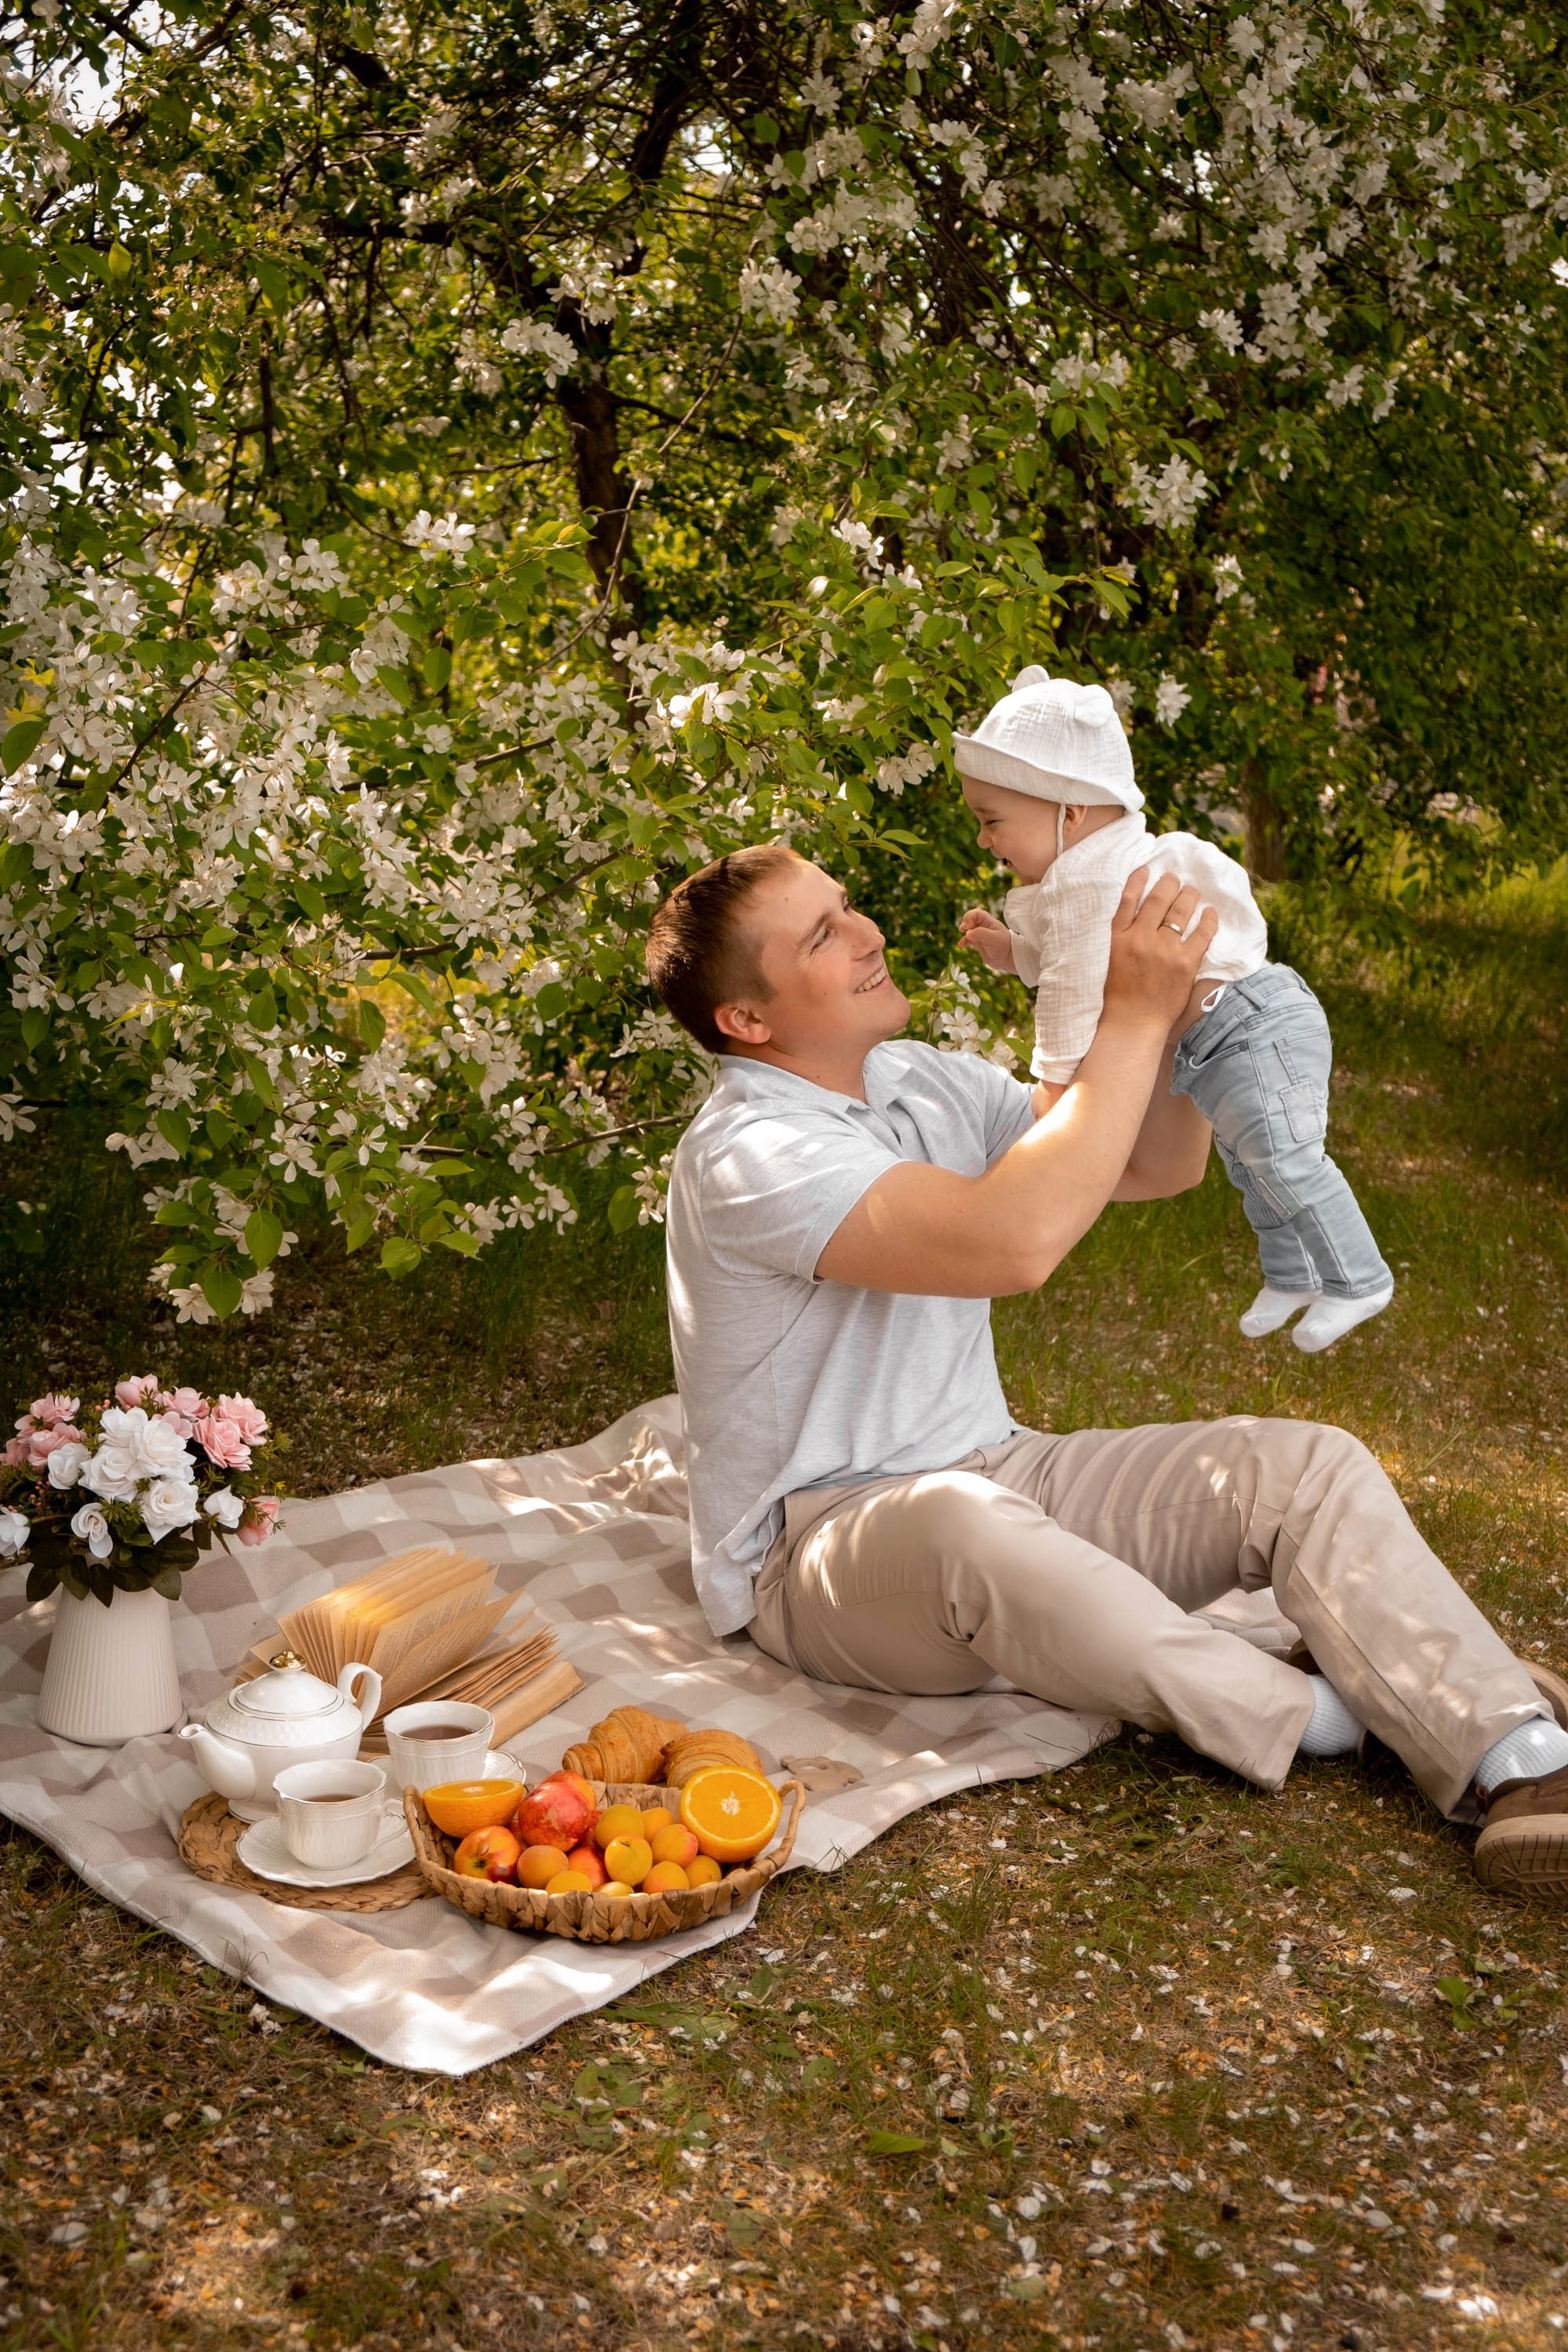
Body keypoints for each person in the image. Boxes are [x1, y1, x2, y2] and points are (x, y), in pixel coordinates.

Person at [644, 841, 1568, 1896]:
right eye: (823, 934)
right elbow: (1012, 1243)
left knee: (1301, 1467)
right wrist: (1126, 1017)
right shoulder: (748, 1151)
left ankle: (1520, 1763)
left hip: (997, 1471)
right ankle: (1333, 1716)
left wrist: (1179, 1016)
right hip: (814, 1551)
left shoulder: (919, 1079)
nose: (868, 935)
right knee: (962, 1520)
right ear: (747, 1022)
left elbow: (1146, 1160)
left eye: (846, 909)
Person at [955, 665, 1392, 1352]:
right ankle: (1291, 1274)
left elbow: (1072, 991)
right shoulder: (1092, 868)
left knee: (1286, 1160)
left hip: (1251, 1024)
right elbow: (1084, 958)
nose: (985, 841)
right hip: (1222, 1038)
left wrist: (1056, 1094)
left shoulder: (1091, 880)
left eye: (991, 822)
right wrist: (1012, 950)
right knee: (1252, 1167)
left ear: (1068, 813)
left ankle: (1360, 1279)